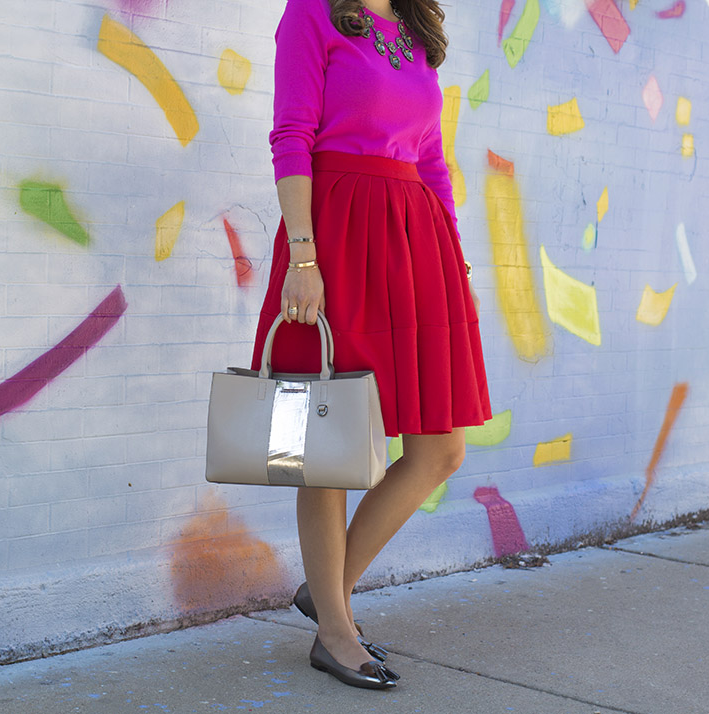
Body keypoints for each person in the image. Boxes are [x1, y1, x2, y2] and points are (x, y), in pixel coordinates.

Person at [248, 0, 493, 689]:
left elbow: (431, 158)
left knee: (440, 448)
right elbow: (291, 135)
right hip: (339, 233)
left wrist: (453, 261)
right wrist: (304, 257)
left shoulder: (415, 32)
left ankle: (329, 594)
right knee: (329, 444)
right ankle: (334, 627)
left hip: (415, 242)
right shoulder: (311, 15)